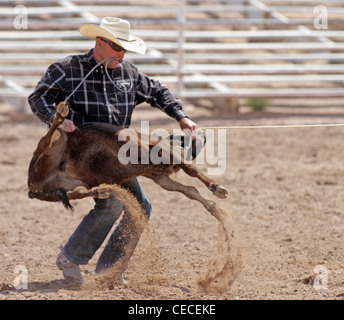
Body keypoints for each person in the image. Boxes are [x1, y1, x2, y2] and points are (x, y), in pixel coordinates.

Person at [28, 17, 198, 284]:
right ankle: (71, 257)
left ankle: (109, 269)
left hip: (114, 156)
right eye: (117, 48)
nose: (122, 54)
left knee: (140, 206)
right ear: (100, 43)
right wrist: (56, 119)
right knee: (113, 202)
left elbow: (158, 92)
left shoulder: (128, 73)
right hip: (80, 155)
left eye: (124, 49)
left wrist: (181, 117)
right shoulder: (68, 68)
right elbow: (38, 97)